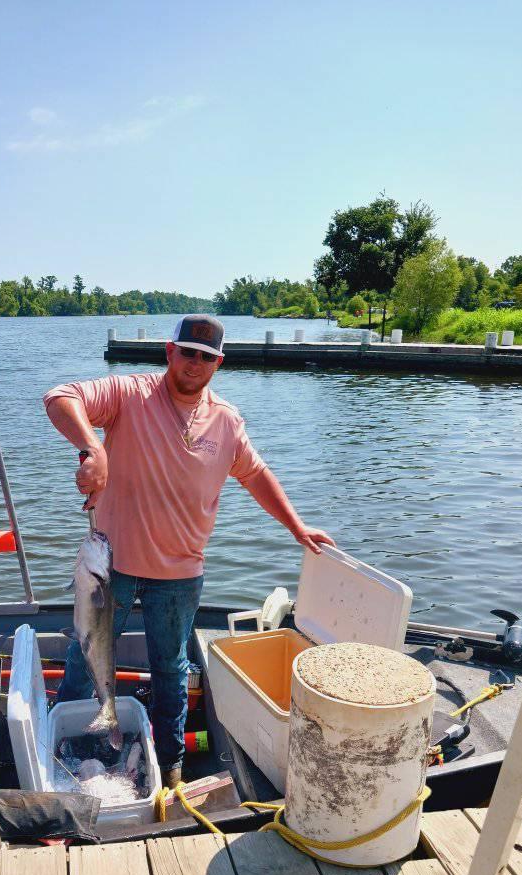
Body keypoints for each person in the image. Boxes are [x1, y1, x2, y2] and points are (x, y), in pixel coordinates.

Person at [43, 314, 334, 789]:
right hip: (110, 568)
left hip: (180, 573)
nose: (195, 364)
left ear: (218, 364)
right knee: (84, 657)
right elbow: (60, 397)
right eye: (188, 353)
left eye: (207, 357)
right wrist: (92, 448)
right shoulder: (129, 394)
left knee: (172, 669)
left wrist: (297, 527)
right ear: (169, 352)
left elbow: (256, 475)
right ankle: (63, 745)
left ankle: (169, 763)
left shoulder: (227, 421)